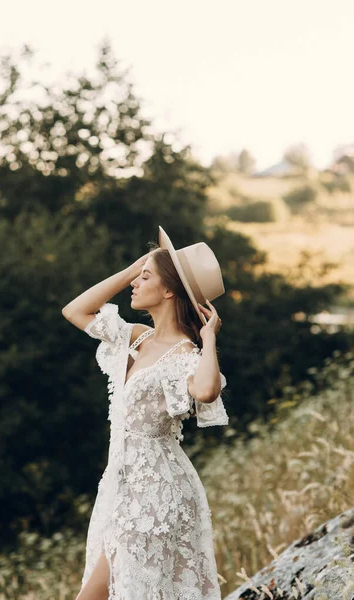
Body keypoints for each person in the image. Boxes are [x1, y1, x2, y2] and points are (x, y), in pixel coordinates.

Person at [62, 226, 229, 600]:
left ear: (169, 291)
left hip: (155, 494)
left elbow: (205, 390)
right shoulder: (135, 338)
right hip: (120, 487)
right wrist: (134, 267)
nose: (135, 283)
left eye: (146, 277)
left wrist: (210, 338)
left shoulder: (186, 353)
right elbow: (74, 310)